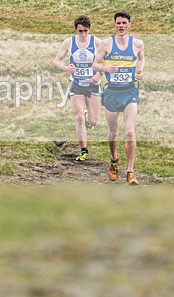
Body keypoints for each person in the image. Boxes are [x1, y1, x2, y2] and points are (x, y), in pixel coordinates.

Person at [93, 11, 145, 185]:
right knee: (114, 132)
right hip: (112, 93)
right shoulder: (106, 44)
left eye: (124, 23)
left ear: (129, 25)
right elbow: (95, 64)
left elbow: (142, 59)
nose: (121, 26)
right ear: (114, 25)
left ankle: (130, 172)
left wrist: (140, 71)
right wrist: (106, 69)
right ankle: (114, 159)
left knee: (130, 132)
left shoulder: (137, 44)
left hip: (130, 92)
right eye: (118, 23)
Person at [53, 15, 102, 161]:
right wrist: (67, 68)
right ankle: (84, 150)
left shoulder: (97, 42)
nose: (83, 34)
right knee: (79, 117)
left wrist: (98, 74)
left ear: (89, 30)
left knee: (93, 121)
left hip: (93, 85)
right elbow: (56, 61)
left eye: (86, 31)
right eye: (80, 31)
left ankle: (89, 116)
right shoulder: (69, 42)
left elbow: (106, 62)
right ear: (76, 30)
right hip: (76, 84)